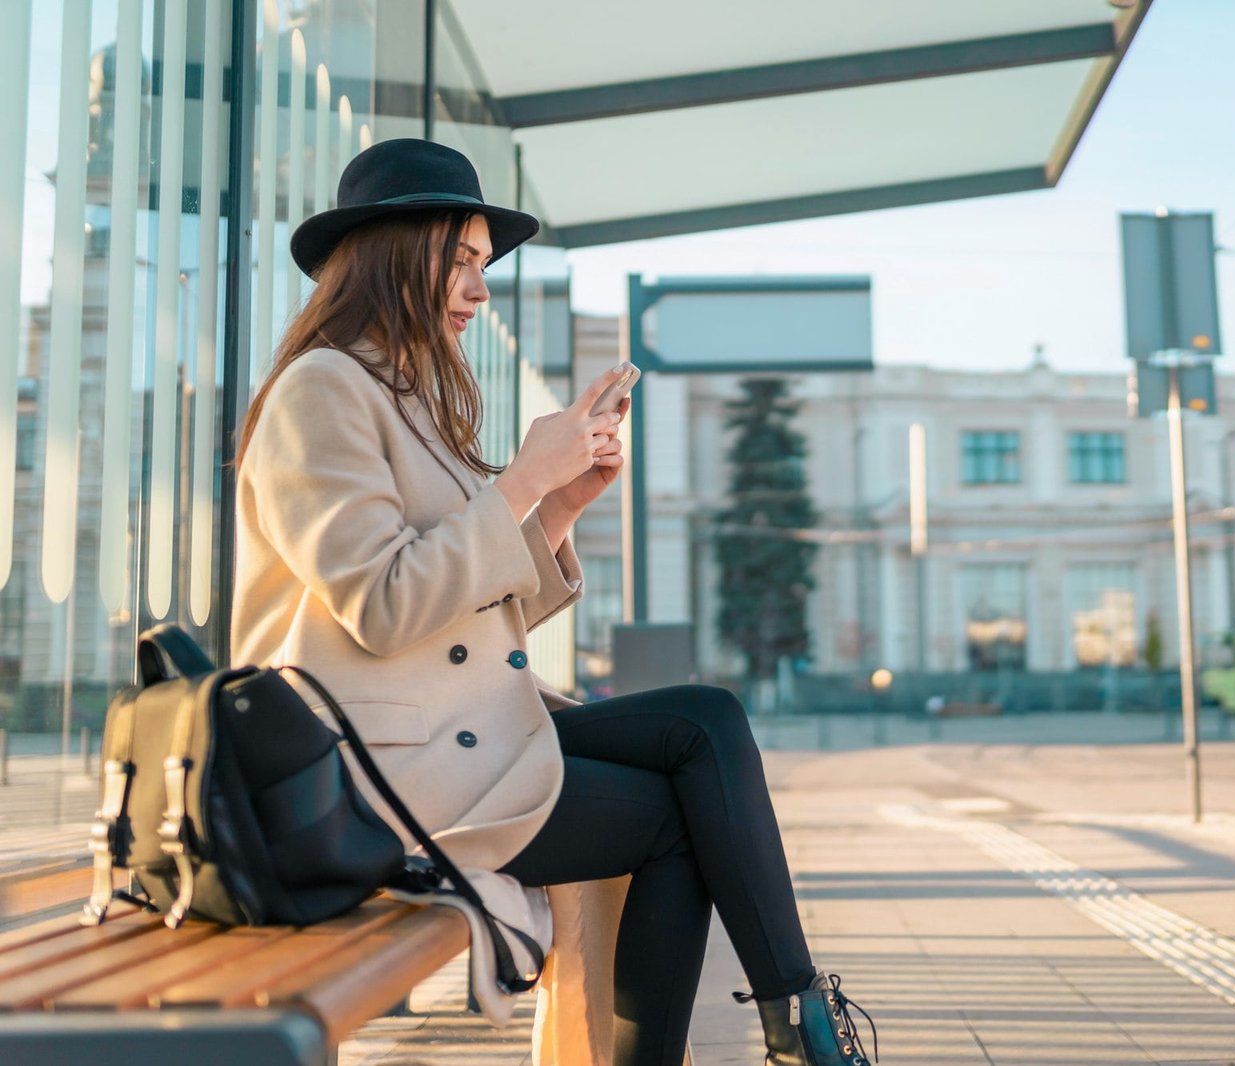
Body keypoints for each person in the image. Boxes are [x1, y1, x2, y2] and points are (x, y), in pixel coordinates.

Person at [229, 138, 876, 1066]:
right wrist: (524, 482)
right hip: (369, 772)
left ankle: (796, 1016)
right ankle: (796, 1028)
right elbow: (382, 606)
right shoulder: (321, 391)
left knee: (704, 719)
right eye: (461, 261)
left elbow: (460, 623)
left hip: (442, 734)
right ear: (393, 252)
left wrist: (559, 503)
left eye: (482, 268)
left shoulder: (404, 402)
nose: (479, 291)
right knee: (672, 820)